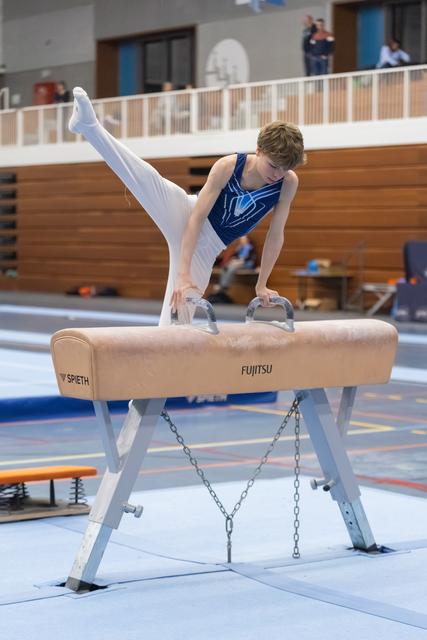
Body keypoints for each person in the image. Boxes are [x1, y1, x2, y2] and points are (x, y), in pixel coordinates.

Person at [68, 87, 304, 325]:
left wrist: (261, 284)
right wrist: (183, 273)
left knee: (177, 322)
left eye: (286, 168)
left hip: (207, 248)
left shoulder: (287, 183)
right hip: (186, 212)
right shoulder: (228, 166)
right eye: (274, 166)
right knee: (146, 179)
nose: (279, 174)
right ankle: (89, 126)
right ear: (259, 151)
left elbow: (276, 235)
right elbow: (197, 219)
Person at [209, 235, 257, 304]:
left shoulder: (249, 247)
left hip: (246, 264)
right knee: (226, 267)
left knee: (232, 266)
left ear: (247, 240)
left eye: (243, 239)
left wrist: (239, 260)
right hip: (237, 263)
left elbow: (249, 258)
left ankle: (223, 286)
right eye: (241, 239)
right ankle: (222, 285)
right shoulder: (240, 247)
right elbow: (235, 256)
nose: (241, 241)